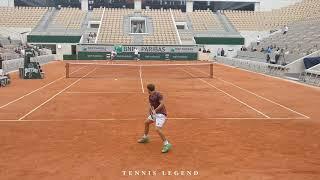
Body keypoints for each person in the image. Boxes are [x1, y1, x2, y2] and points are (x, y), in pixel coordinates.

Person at [138, 84, 172, 153]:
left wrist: (155, 110)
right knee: (146, 122)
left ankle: (167, 144)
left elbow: (162, 104)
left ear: (148, 89)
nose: (146, 90)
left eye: (147, 89)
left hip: (161, 114)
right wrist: (150, 111)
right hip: (155, 114)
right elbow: (151, 105)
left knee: (157, 129)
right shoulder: (150, 96)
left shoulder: (158, 94)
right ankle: (145, 137)